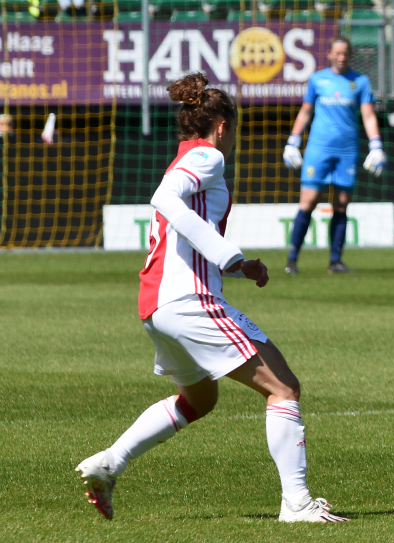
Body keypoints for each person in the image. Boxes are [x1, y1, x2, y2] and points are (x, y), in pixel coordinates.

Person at [75, 73, 349, 523]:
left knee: (199, 400)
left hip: (157, 305)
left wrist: (238, 266)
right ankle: (296, 503)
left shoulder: (186, 156)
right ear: (222, 126)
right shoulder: (207, 156)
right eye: (235, 129)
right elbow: (165, 199)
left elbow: (180, 222)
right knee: (283, 387)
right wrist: (229, 255)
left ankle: (109, 463)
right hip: (187, 301)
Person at [282, 36, 386, 275]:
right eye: (337, 53)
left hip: (347, 151)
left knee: (341, 204)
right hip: (318, 150)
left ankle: (335, 261)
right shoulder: (318, 79)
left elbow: (369, 116)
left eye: (345, 53)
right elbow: (305, 112)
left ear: (350, 55)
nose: (341, 57)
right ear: (329, 54)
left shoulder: (360, 81)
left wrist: (376, 145)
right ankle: (292, 259)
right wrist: (293, 141)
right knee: (308, 201)